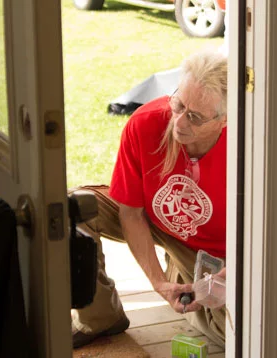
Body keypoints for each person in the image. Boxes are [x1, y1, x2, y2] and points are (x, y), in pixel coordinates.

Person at [71, 50, 228, 349]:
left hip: (214, 251)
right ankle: (100, 316)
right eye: (178, 103)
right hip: (154, 220)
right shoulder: (144, 122)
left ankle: (183, 273)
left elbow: (264, 235)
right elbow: (130, 213)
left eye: (194, 116)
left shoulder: (248, 143)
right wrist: (158, 284)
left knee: (240, 332)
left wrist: (227, 278)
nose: (179, 122)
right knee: (73, 206)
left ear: (224, 121)